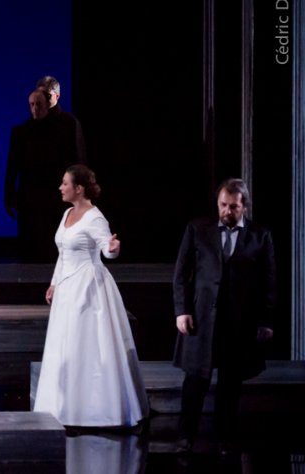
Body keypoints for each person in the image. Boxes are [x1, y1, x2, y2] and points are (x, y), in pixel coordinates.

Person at [33, 164, 148, 429]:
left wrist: (113, 249)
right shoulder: (67, 214)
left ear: (79, 188)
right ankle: (61, 407)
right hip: (67, 289)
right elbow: (63, 252)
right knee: (64, 346)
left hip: (87, 288)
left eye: (65, 183)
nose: (60, 187)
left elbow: (107, 250)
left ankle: (90, 411)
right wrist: (54, 283)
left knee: (86, 346)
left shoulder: (95, 218)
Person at [173, 178, 276, 456]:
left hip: (239, 321)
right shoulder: (198, 229)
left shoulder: (260, 235)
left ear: (244, 207)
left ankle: (225, 439)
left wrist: (266, 321)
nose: (227, 211)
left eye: (233, 207)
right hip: (201, 318)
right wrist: (182, 310)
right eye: (223, 205)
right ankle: (185, 437)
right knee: (195, 381)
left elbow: (269, 281)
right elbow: (181, 274)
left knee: (230, 384)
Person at [5, 88, 83, 262]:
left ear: (47, 105)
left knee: (54, 243)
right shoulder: (20, 132)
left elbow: (74, 161)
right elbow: (12, 166)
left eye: (39, 104)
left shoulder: (61, 129)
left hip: (54, 196)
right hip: (29, 196)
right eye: (32, 105)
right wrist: (9, 196)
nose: (35, 109)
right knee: (30, 244)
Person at [36, 75, 87, 164]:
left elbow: (79, 159)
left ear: (57, 96)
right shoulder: (32, 124)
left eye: (47, 95)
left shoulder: (70, 123)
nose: (43, 99)